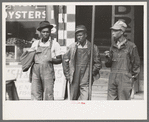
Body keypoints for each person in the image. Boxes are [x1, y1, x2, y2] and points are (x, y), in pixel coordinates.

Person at [62, 25, 102, 100]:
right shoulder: (72, 47)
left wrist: (91, 73)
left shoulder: (93, 47)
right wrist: (67, 74)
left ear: (86, 35)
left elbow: (98, 63)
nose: (78, 37)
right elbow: (65, 60)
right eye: (77, 36)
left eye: (80, 35)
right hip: (74, 75)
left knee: (85, 98)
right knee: (73, 97)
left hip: (86, 75)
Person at [104, 20, 140, 100]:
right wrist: (108, 58)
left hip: (125, 78)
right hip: (112, 77)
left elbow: (136, 64)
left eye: (115, 30)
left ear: (121, 32)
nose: (113, 32)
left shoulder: (131, 46)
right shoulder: (113, 46)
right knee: (110, 103)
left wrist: (132, 78)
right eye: (112, 30)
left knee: (123, 103)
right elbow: (108, 65)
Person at [28, 21, 62, 100]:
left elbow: (60, 60)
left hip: (48, 72)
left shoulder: (55, 44)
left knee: (48, 94)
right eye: (43, 32)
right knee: (35, 93)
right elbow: (30, 57)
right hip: (35, 72)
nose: (45, 34)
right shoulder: (35, 44)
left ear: (50, 33)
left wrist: (50, 59)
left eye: (47, 32)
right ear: (40, 33)